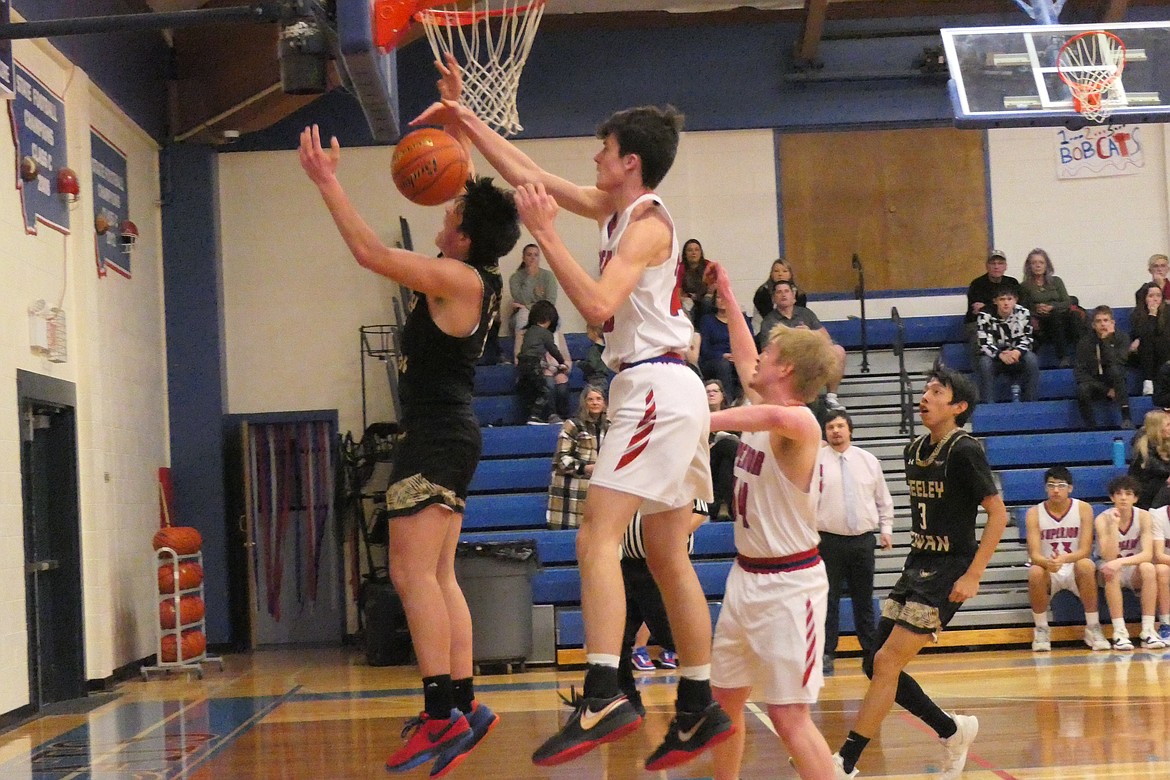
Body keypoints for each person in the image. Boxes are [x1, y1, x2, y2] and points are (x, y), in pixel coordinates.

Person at [417, 68, 732, 770]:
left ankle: (603, 692)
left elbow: (596, 308)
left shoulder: (647, 225)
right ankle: (698, 704)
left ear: (631, 163)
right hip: (666, 387)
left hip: (652, 386)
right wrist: (464, 122)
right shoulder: (617, 209)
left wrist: (544, 235)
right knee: (665, 552)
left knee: (597, 531)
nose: (593, 157)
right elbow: (529, 173)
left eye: (603, 148)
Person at [299, 74, 520, 775]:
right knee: (438, 573)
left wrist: (327, 181)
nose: (445, 209)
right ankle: (462, 701)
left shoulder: (457, 278)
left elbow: (369, 253)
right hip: (455, 434)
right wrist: (457, 127)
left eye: (453, 207)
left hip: (436, 435)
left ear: (462, 234)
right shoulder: (481, 274)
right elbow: (484, 201)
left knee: (410, 573)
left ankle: (436, 715)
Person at [833, 365, 1008, 780]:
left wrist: (975, 574)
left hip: (950, 571)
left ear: (959, 406)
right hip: (918, 564)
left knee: (888, 661)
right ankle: (951, 730)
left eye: (937, 391)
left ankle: (846, 760)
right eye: (926, 389)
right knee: (874, 664)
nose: (926, 396)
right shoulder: (914, 450)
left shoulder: (965, 449)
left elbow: (998, 515)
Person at [704, 262, 841, 780]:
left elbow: (766, 416)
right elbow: (744, 357)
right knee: (725, 702)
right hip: (746, 577)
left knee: (788, 716)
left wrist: (696, 419)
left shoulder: (801, 421)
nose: (758, 355)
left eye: (770, 353)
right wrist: (730, 295)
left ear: (784, 370)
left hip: (791, 586)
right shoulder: (767, 399)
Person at [815, 410, 894, 675]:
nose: (836, 431)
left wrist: (886, 529)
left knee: (863, 598)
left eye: (840, 426)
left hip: (862, 541)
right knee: (828, 600)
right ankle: (827, 653)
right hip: (827, 541)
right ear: (825, 433)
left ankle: (870, 652)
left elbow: (883, 498)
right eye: (830, 427)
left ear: (850, 430)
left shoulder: (868, 461)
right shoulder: (816, 462)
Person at [620, 502, 709, 706]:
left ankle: (706, 696)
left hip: (662, 563)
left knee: (670, 635)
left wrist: (671, 536)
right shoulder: (629, 472)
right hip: (629, 564)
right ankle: (625, 699)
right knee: (619, 636)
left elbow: (701, 511)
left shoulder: (679, 469)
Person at [1024, 466, 1110, 652]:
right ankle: (1041, 628)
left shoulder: (1083, 508)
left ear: (1070, 488)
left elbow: (1086, 550)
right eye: (1051, 485)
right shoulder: (1033, 513)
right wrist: (1047, 563)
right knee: (1035, 571)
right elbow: (1034, 553)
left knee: (1086, 565)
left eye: (1061, 485)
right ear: (1045, 488)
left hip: (1073, 567)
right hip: (1048, 568)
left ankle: (1093, 626)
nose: (1056, 490)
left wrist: (1064, 559)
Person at [1094, 475, 1169, 651]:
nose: (1123, 497)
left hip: (1132, 568)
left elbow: (1147, 554)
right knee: (1110, 571)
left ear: (1135, 498)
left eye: (1128, 494)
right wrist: (1114, 525)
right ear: (1112, 498)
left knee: (1148, 567)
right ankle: (1120, 633)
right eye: (1118, 494)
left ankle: (1148, 630)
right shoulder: (1102, 519)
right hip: (1108, 569)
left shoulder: (1144, 517)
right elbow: (1109, 556)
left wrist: (1121, 563)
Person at [756, 280, 847, 411]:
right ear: (774, 298)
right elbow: (766, 349)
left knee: (838, 350)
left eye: (786, 291)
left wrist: (809, 333)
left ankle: (831, 397)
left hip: (810, 357)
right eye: (779, 292)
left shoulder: (806, 313)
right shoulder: (768, 321)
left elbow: (826, 338)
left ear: (794, 296)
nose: (783, 295)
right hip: (786, 359)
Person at [547, 385, 608, 530]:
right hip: (573, 489)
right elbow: (562, 459)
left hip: (600, 486)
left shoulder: (610, 426)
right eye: (590, 399)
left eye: (599, 399)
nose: (595, 402)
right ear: (584, 403)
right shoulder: (572, 425)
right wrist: (585, 468)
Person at [974, 287, 1039, 403]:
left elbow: (1027, 338)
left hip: (1016, 353)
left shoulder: (1023, 313)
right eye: (1002, 299)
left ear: (1015, 300)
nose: (1006, 303)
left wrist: (1017, 352)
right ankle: (988, 404)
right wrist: (1000, 355)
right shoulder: (984, 315)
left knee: (1032, 359)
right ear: (995, 301)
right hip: (995, 354)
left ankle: (1031, 402)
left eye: (1009, 299)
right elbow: (984, 344)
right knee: (984, 363)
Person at [1074, 305, 1134, 430]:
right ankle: (1091, 427)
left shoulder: (1122, 338)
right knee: (1082, 389)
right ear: (1093, 325)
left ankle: (1126, 418)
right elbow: (1079, 372)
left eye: (1106, 320)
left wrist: (1106, 341)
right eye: (1098, 321)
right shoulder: (1084, 343)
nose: (1103, 324)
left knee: (1116, 371)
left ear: (1113, 323)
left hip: (1116, 382)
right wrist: (1105, 390)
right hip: (1095, 383)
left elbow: (1119, 361)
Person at [1018, 248, 1080, 368]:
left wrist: (1052, 306)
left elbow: (1067, 302)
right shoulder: (1024, 286)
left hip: (1062, 317)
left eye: (1041, 262)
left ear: (1047, 265)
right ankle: (1063, 357)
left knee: (1075, 316)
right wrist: (1036, 310)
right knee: (1055, 317)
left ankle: (1081, 357)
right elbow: (1023, 308)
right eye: (1034, 262)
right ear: (1029, 266)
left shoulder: (1056, 281)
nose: (1038, 265)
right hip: (1042, 322)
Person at [517, 299, 569, 424]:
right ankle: (535, 415)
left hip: (523, 364)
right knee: (544, 390)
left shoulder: (528, 332)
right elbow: (553, 349)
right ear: (549, 320)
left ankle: (533, 414)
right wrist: (562, 362)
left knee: (531, 389)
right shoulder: (545, 333)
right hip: (534, 363)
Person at [696, 288, 751, 403]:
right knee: (723, 365)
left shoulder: (742, 319)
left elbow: (750, 343)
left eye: (725, 296)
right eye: (719, 297)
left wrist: (738, 356)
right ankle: (728, 402)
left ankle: (748, 401)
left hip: (737, 357)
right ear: (714, 301)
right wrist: (723, 355)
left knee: (748, 364)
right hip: (714, 360)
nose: (722, 300)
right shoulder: (707, 320)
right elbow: (704, 350)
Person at [964, 249, 1019, 360]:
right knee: (980, 340)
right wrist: (1002, 308)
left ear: (1005, 266)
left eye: (1000, 263)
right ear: (987, 266)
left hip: (1006, 322)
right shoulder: (977, 284)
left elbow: (1018, 308)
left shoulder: (1012, 283)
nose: (996, 266)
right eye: (992, 263)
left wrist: (987, 306)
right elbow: (978, 311)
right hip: (979, 323)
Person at [508, 242, 559, 361]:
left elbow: (550, 301)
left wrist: (527, 306)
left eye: (536, 255)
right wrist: (530, 276)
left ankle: (554, 363)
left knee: (554, 319)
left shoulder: (548, 276)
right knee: (523, 315)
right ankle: (520, 359)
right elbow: (521, 298)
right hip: (522, 315)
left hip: (545, 313)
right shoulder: (515, 278)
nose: (532, 258)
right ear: (523, 258)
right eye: (529, 255)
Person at [706, 379, 739, 521]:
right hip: (706, 459)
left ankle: (722, 505)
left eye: (715, 391)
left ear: (722, 395)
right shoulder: (698, 416)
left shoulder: (732, 417)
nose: (711, 394)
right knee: (728, 444)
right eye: (707, 392)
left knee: (727, 460)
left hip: (726, 463)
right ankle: (726, 504)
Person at [1129, 281, 1170, 396]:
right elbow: (1141, 333)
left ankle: (1149, 380)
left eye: (1158, 295)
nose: (1155, 299)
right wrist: (1152, 316)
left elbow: (1165, 335)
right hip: (1145, 354)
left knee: (1153, 341)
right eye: (1151, 296)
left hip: (1164, 351)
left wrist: (1139, 339)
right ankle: (1149, 381)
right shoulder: (1136, 314)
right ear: (1144, 298)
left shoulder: (1168, 312)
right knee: (1147, 341)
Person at [1128, 409, 1170, 510]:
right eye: (1168, 425)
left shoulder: (1166, 442)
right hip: (1145, 493)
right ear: (1157, 428)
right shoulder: (1143, 446)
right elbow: (1158, 469)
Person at [752, 258, 807, 322]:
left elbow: (799, 315)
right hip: (764, 328)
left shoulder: (800, 294)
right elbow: (768, 316)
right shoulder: (762, 292)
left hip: (793, 328)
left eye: (784, 271)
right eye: (776, 271)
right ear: (771, 274)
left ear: (790, 274)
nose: (780, 274)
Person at [1147, 503, 1170, 642]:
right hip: (1165, 564)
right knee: (1161, 569)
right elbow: (1158, 555)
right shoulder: (1158, 514)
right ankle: (1166, 624)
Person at [680, 238, 714, 323]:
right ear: (685, 254)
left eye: (696, 250)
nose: (693, 253)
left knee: (707, 301)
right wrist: (684, 298)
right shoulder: (680, 268)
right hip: (688, 299)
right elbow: (677, 291)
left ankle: (706, 327)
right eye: (690, 250)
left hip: (706, 298)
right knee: (687, 304)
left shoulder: (708, 266)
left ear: (700, 252)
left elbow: (713, 288)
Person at [579, 323, 614, 392]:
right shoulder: (606, 349)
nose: (588, 335)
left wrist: (580, 364)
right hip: (604, 378)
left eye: (588, 332)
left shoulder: (594, 349)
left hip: (594, 379)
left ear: (594, 333)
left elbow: (592, 365)